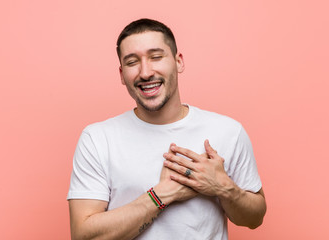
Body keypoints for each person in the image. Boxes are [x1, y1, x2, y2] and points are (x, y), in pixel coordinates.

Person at [67, 18, 266, 240]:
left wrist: (223, 187)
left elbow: (255, 218)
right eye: (132, 62)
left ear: (178, 61)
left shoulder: (227, 130)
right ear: (122, 74)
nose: (145, 72)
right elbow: (84, 236)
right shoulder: (97, 139)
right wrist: (160, 195)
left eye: (156, 57)